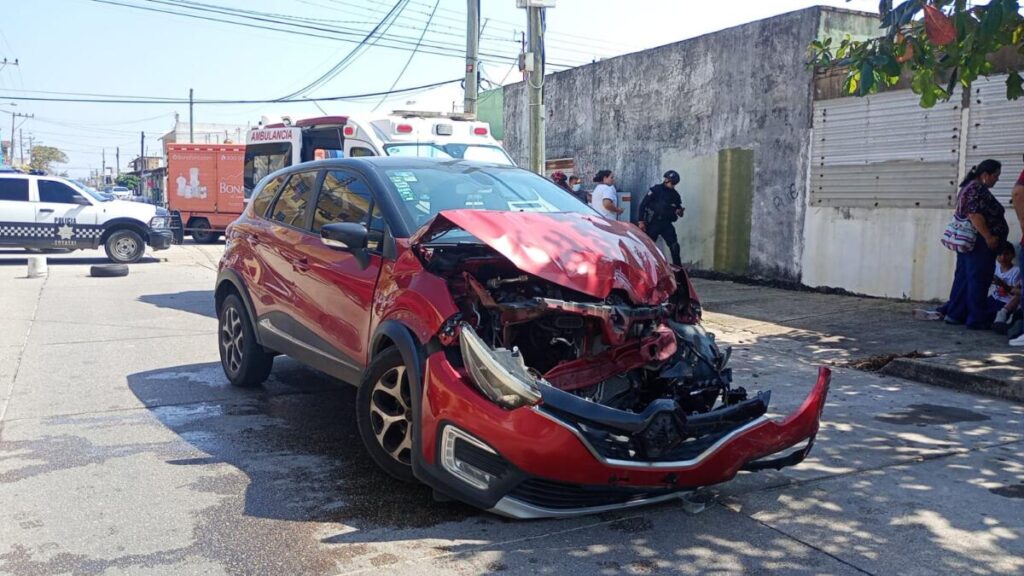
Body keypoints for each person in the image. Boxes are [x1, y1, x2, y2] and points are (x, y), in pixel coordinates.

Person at [936, 159, 1008, 329]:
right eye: (996, 176)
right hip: (979, 243)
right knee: (978, 279)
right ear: (985, 175)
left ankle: (956, 313)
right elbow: (974, 215)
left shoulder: (970, 187)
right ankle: (976, 319)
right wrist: (989, 237)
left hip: (972, 244)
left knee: (964, 278)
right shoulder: (975, 189)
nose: (997, 180)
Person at [638, 170, 684, 266]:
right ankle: (645, 268)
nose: (673, 185)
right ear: (666, 180)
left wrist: (679, 212)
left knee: (674, 246)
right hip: (653, 223)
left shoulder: (675, 195)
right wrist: (641, 221)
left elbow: (678, 209)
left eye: (675, 183)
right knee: (648, 248)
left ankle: (679, 270)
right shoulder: (656, 190)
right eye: (672, 182)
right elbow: (643, 205)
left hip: (666, 223)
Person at [986, 242, 1021, 332]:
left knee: (989, 316)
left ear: (1013, 255)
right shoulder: (996, 267)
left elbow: (1017, 293)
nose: (1003, 258)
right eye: (1000, 254)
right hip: (993, 298)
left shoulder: (1017, 271)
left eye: (1006, 254)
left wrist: (1002, 284)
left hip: (1005, 302)